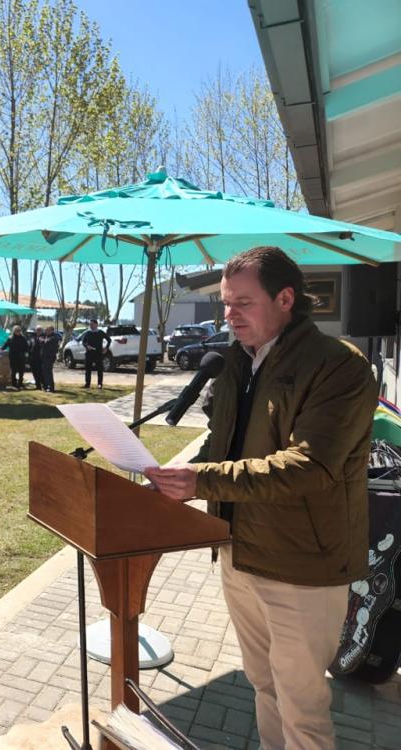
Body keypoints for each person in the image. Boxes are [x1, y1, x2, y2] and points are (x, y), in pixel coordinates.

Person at [144, 246, 378, 750]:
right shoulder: (236, 361)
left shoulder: (339, 365)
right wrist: (171, 481)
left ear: (286, 298)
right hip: (237, 552)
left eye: (243, 303)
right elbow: (218, 443)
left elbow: (310, 466)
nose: (229, 315)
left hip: (302, 567)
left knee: (303, 709)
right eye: (226, 303)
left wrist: (201, 480)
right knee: (264, 686)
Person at [80, 319, 111, 389]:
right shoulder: (88, 333)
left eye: (92, 324)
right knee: (88, 369)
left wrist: (106, 348)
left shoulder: (100, 332)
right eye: (90, 324)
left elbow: (109, 340)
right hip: (89, 353)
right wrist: (87, 346)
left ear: (96, 324)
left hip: (98, 353)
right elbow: (83, 342)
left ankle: (100, 384)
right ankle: (87, 384)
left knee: (99, 369)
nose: (91, 326)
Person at [41, 326, 59, 393]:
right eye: (46, 330)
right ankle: (46, 386)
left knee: (48, 372)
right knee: (44, 372)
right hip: (44, 357)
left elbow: (46, 343)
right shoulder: (46, 336)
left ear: (52, 330)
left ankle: (51, 387)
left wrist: (44, 341)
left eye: (48, 330)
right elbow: (41, 339)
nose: (46, 331)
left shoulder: (54, 337)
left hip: (49, 357)